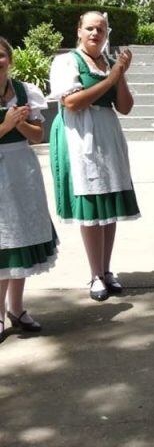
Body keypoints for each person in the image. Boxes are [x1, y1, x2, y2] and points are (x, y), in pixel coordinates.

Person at [49, 11, 140, 302]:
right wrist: (110, 78)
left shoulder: (109, 64)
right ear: (78, 31)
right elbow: (72, 102)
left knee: (108, 203)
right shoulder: (66, 62)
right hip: (79, 135)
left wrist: (120, 76)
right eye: (89, 28)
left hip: (107, 133)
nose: (95, 34)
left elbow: (125, 107)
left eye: (100, 29)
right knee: (90, 204)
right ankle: (95, 273)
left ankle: (107, 268)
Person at [0, 37, 58, 341]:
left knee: (22, 237)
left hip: (22, 169)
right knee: (2, 242)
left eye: (0, 55)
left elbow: (37, 136)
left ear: (9, 59)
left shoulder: (25, 91)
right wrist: (7, 124)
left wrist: (20, 123)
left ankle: (17, 308)